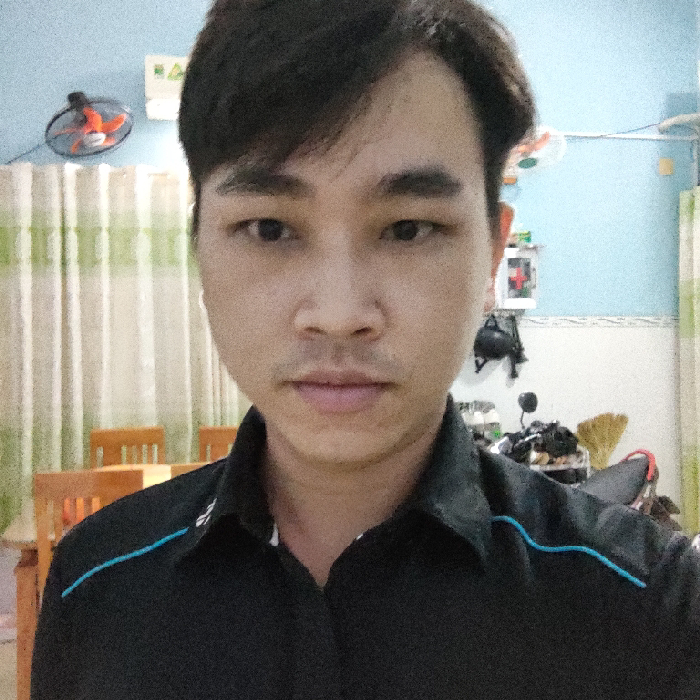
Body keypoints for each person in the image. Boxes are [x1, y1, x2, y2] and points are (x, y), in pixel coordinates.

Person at [32, 1, 700, 698]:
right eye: (269, 228)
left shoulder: (646, 604)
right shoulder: (95, 583)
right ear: (200, 248)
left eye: (408, 228)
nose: (339, 315)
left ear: (493, 254)